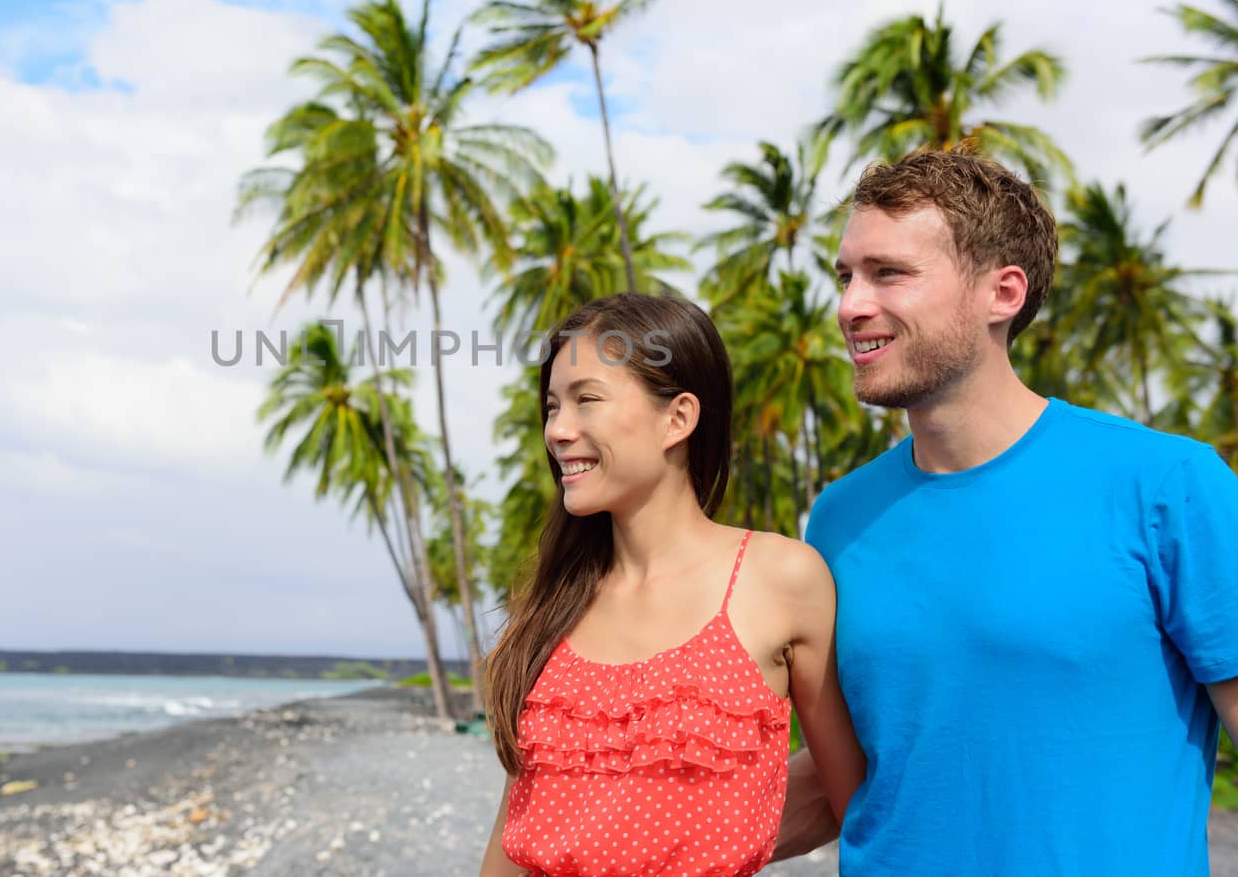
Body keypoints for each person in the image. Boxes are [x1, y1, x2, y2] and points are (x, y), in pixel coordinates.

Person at [775, 146, 1238, 874]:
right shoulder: (840, 518)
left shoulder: (1167, 485)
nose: (849, 305)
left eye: (888, 273)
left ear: (1004, 292)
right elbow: (861, 773)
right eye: (846, 275)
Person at [479, 293, 865, 877]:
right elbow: (514, 837)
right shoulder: (554, 607)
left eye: (587, 400)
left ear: (678, 418)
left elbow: (855, 806)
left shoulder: (779, 579)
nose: (558, 429)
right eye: (553, 406)